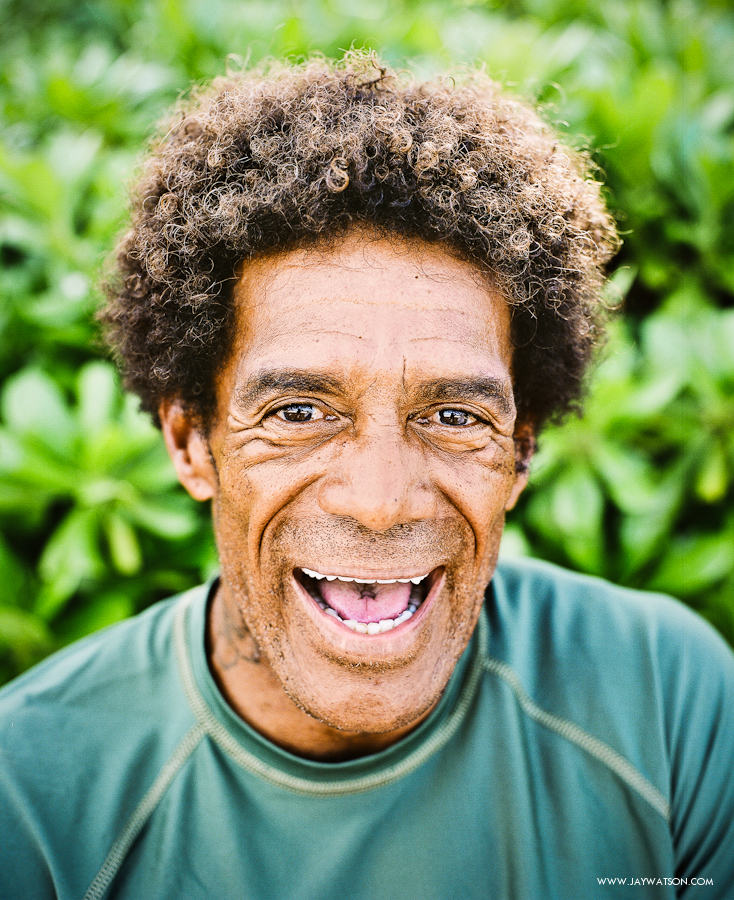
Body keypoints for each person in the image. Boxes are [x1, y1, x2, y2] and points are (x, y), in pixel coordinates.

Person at [1, 52, 732, 900]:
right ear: (191, 443)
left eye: (455, 417)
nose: (382, 503)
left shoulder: (666, 700)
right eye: (300, 413)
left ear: (521, 455)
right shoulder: (31, 798)